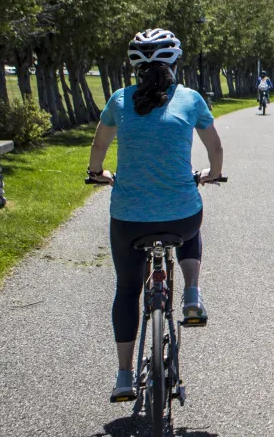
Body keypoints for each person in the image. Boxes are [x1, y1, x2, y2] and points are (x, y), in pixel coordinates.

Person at [87, 28, 225, 402]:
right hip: (179, 218)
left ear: (135, 67)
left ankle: (123, 376)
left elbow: (99, 146)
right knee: (190, 215)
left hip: (129, 219)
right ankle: (192, 293)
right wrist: (211, 174)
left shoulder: (119, 100)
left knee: (128, 289)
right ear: (174, 63)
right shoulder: (191, 99)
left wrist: (98, 173)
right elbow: (215, 147)